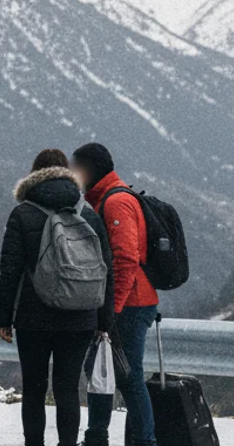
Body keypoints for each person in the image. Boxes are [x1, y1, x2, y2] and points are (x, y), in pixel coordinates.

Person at [0, 148, 114, 446]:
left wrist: (4, 317)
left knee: (34, 389)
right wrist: (104, 320)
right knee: (67, 389)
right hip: (81, 317)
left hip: (34, 317)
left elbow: (9, 270)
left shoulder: (22, 213)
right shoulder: (88, 213)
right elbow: (106, 270)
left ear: (34, 176)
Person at [72, 143, 159, 446]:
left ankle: (144, 442)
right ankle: (97, 437)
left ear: (90, 169)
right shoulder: (105, 199)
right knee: (100, 370)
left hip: (130, 303)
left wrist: (114, 310)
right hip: (125, 302)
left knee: (128, 377)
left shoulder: (116, 202)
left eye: (77, 167)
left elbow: (124, 260)